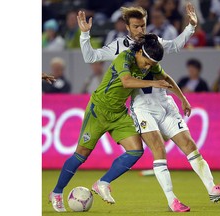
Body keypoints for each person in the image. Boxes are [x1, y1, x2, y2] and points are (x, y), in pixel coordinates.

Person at [77, 4, 220, 212]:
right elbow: (90, 58)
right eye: (136, 26)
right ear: (127, 27)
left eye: (143, 25)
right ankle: (172, 200)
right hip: (142, 107)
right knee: (159, 150)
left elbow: (174, 50)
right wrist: (85, 35)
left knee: (189, 145)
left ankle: (212, 189)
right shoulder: (119, 48)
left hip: (164, 102)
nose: (141, 30)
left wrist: (191, 28)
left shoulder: (154, 42)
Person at [49, 34, 173, 212]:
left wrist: (183, 98)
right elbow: (126, 81)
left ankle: (103, 183)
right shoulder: (124, 57)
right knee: (81, 155)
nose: (147, 67)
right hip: (98, 111)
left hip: (118, 114)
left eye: (151, 66)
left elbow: (166, 78)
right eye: (146, 63)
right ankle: (57, 192)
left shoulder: (150, 63)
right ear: (139, 52)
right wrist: (154, 82)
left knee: (136, 151)